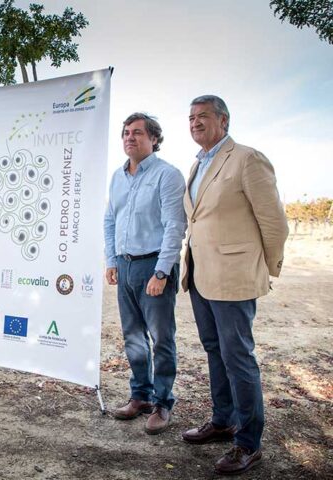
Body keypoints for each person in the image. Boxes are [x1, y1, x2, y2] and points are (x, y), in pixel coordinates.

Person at [181, 95, 289, 475]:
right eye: (191, 117)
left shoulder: (247, 158)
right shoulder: (197, 164)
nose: (195, 122)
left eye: (203, 116)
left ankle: (248, 442)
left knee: (238, 357)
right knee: (214, 351)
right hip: (199, 278)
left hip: (233, 278)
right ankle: (223, 420)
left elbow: (274, 221)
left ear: (223, 121)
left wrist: (265, 268)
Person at [104, 113, 186, 434]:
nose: (129, 137)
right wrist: (111, 260)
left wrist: (162, 271)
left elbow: (174, 227)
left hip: (154, 266)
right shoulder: (117, 176)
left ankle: (163, 402)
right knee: (133, 336)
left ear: (154, 139)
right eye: (126, 132)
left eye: (137, 133)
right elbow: (110, 220)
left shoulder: (168, 175)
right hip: (124, 265)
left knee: (162, 338)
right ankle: (140, 396)